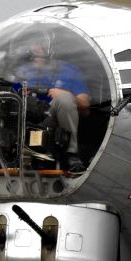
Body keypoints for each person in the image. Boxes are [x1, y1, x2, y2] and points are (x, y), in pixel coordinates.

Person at [15, 42, 90, 174]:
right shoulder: (20, 72)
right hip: (23, 117)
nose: (33, 48)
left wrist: (66, 94)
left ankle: (71, 155)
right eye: (30, 43)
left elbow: (85, 106)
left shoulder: (69, 70)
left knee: (65, 99)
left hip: (51, 117)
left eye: (38, 42)